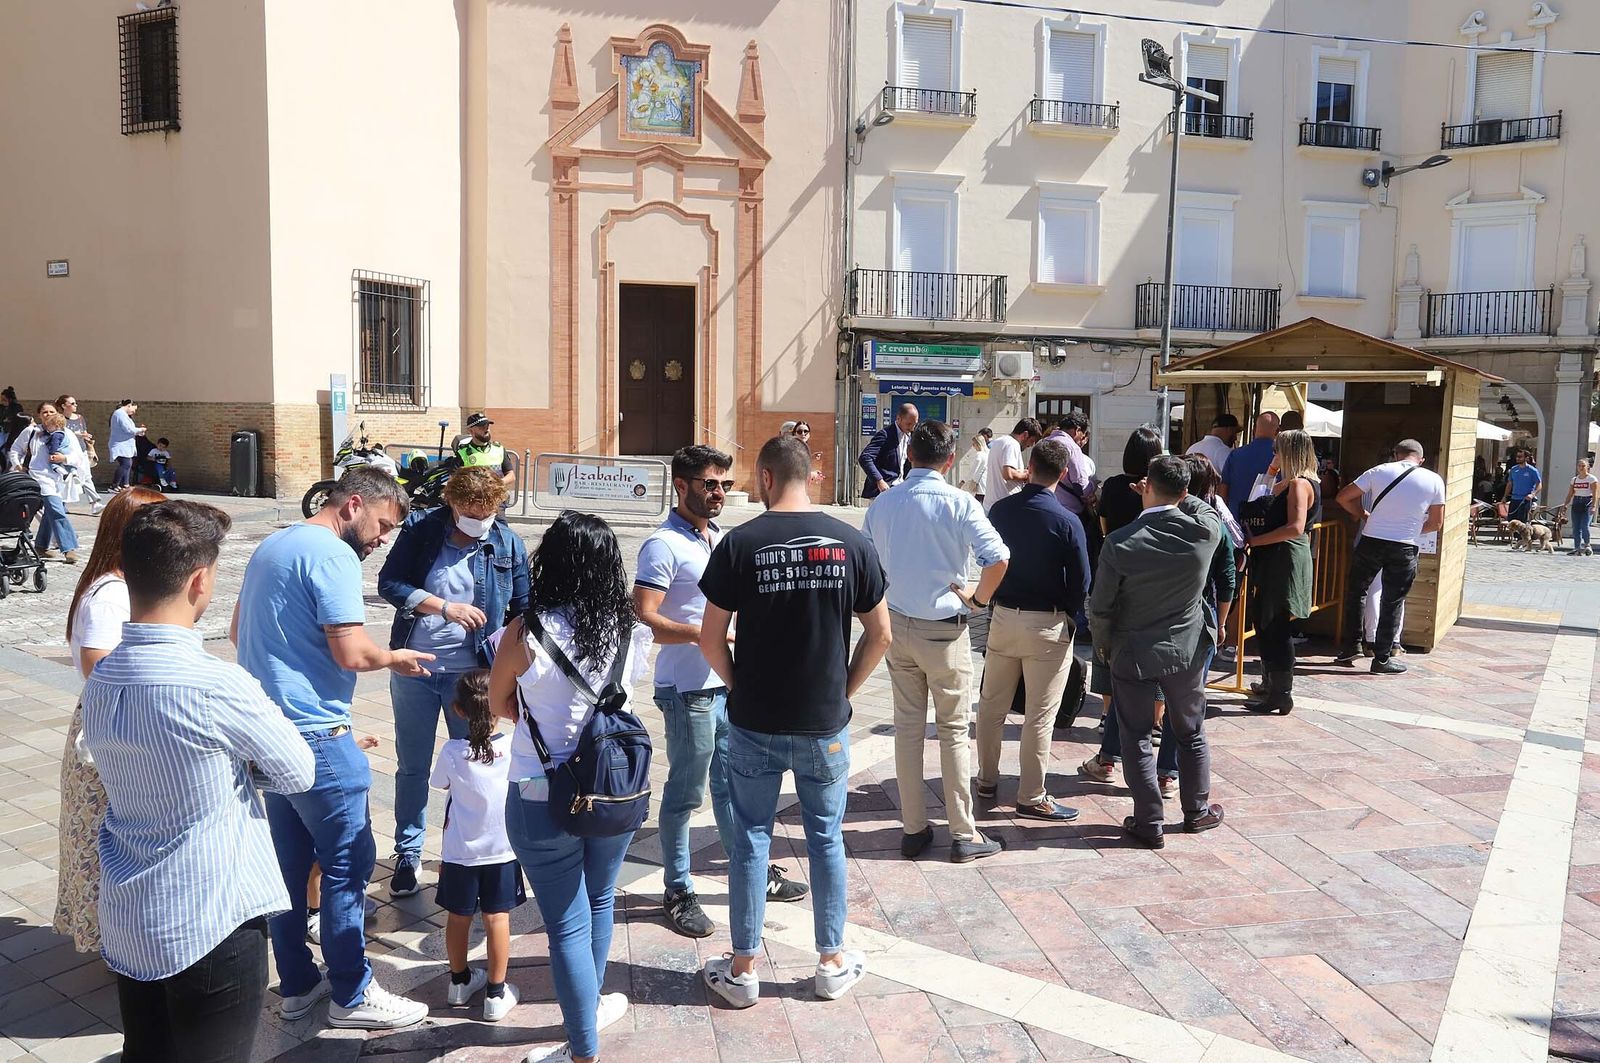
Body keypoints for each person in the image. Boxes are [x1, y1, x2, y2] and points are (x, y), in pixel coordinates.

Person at [81, 501, 316, 1063]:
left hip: (132, 912)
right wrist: (240, 765)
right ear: (199, 581)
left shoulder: (104, 674)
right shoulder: (215, 684)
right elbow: (297, 769)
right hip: (211, 917)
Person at [233, 466, 433, 1030]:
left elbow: (235, 632)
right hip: (317, 736)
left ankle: (297, 985)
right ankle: (353, 992)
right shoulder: (334, 555)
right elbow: (351, 651)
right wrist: (396, 657)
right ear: (352, 504)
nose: (383, 539)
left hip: (266, 735)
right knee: (349, 866)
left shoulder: (274, 544)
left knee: (290, 869)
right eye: (383, 524)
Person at [698, 435, 891, 1008]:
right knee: (825, 838)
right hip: (822, 724)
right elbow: (880, 634)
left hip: (754, 722)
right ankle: (831, 961)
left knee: (752, 839)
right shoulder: (852, 543)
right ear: (813, 474)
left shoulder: (740, 543)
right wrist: (843, 692)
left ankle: (742, 968)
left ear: (763, 478)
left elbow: (711, 639)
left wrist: (740, 686)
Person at [488, 512, 653, 1063]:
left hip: (539, 793)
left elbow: (499, 704)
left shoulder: (524, 632)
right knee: (600, 899)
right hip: (612, 789)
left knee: (564, 922)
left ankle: (582, 1049)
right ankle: (591, 1005)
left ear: (550, 563)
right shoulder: (629, 630)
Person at [634, 445, 807, 938]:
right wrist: (706, 636)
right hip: (688, 688)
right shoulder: (662, 545)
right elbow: (644, 616)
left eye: (724, 485)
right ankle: (679, 887)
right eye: (709, 484)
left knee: (734, 787)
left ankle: (751, 871)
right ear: (681, 485)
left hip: (727, 684)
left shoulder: (715, 538)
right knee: (687, 793)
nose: (718, 493)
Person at [375, 466, 528, 897]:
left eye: (489, 510)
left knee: (479, 766)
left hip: (474, 675)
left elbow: (522, 609)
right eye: (470, 511)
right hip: (416, 668)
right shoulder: (423, 530)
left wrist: (516, 672)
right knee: (412, 767)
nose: (480, 519)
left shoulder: (507, 542)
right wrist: (444, 606)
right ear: (451, 503)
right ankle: (408, 854)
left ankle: (477, 856)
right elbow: (390, 583)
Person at [863, 421, 1009, 860]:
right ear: (949, 460)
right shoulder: (960, 503)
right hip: (944, 630)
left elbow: (869, 563)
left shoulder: (885, 503)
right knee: (951, 731)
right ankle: (963, 834)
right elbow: (998, 558)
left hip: (898, 624)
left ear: (909, 457)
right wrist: (978, 600)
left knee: (907, 729)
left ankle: (914, 828)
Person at [1088, 456, 1225, 849]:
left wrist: (1104, 648)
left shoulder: (1119, 543)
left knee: (1134, 736)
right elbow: (1201, 504)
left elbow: (1100, 607)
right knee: (1190, 732)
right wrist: (1176, 493)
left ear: (1145, 486)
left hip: (1132, 652)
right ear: (1184, 494)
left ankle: (1149, 820)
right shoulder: (1204, 532)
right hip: (1185, 651)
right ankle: (1196, 812)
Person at [54, 487, 166, 956]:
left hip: (119, 725)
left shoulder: (124, 585)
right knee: (107, 842)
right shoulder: (111, 594)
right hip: (110, 733)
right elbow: (98, 663)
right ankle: (115, 943)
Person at [972, 438, 1089, 820]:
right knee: (1040, 714)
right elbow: (1082, 581)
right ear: (1065, 473)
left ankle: (986, 778)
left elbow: (986, 558)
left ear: (1030, 465)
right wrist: (1068, 615)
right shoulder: (1068, 520)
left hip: (1003, 616)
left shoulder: (1001, 511)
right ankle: (1031, 794)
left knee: (991, 706)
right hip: (1047, 622)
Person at [432, 670, 525, 1023]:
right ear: (502, 704)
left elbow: (438, 784)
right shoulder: (513, 746)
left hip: (459, 851)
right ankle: (496, 994)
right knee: (497, 918)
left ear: (458, 710)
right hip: (502, 849)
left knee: (458, 917)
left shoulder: (453, 752)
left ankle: (459, 982)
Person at [1079, 427, 1165, 786]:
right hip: (1150, 581)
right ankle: (1156, 720)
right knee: (1155, 658)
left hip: (1113, 572)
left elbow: (1102, 528)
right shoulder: (1158, 489)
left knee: (1108, 650)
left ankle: (1106, 714)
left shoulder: (1113, 486)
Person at [1330, 439, 1445, 674]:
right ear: (1421, 459)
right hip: (1404, 546)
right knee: (1392, 601)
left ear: (1396, 454)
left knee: (1357, 593)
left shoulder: (1379, 471)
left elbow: (1343, 497)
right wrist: (1412, 529)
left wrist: (1364, 514)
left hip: (1371, 541)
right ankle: (1382, 659)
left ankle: (1352, 646)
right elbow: (1436, 523)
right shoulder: (1434, 480)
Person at [1242, 430, 1321, 714]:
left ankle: (1281, 693)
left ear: (1289, 451)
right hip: (1277, 556)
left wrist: (1256, 540)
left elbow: (1295, 527)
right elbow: (1258, 500)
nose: (1272, 453)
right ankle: (1271, 686)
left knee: (1275, 625)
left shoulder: (1300, 483)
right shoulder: (1292, 480)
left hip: (1283, 557)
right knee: (1265, 621)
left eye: (1277, 449)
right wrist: (1271, 471)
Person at [30, 409, 81, 563]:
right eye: (44, 412)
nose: (47, 415)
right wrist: (18, 464)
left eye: (51, 412)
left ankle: (41, 545)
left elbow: (78, 457)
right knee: (56, 510)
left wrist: (63, 458)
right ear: (40, 415)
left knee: (50, 512)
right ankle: (69, 547)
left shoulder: (67, 434)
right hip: (39, 476)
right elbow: (15, 449)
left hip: (58, 478)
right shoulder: (32, 432)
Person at [1219, 411, 1280, 521]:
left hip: (1237, 521)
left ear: (1254, 429)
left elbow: (1223, 490)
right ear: (1278, 431)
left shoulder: (1235, 455)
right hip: (1268, 524)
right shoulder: (1281, 458)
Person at [858, 402, 918, 500]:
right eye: (909, 424)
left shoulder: (909, 436)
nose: (912, 428)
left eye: (914, 424)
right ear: (898, 419)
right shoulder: (885, 435)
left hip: (900, 489)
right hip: (882, 491)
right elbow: (865, 457)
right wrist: (879, 481)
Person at [982, 418, 1043, 512]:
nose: (1031, 445)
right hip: (1004, 506)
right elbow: (1008, 474)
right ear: (1025, 434)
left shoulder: (999, 441)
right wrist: (1027, 475)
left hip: (992, 504)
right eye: (1032, 440)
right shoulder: (1012, 444)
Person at [1041, 411, 1093, 517]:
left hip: (1042, 505)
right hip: (1067, 511)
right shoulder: (1072, 447)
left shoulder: (1041, 443)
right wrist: (1093, 485)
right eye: (1082, 435)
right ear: (1077, 430)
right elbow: (1081, 486)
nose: (1081, 439)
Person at [56, 395, 103, 512]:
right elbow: (60, 434)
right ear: (63, 406)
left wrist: (91, 447)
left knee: (86, 477)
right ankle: (62, 504)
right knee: (67, 478)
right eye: (72, 403)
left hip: (81, 451)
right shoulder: (60, 419)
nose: (75, 405)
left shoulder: (80, 418)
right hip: (67, 453)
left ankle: (95, 503)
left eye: (75, 403)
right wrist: (77, 435)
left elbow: (85, 433)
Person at [456, 412, 517, 488]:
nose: (486, 430)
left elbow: (511, 476)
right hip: (475, 498)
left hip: (497, 497)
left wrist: (496, 484)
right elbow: (455, 481)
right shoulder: (462, 452)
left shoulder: (499, 449)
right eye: (482, 427)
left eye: (487, 426)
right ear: (471, 431)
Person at [107, 399, 143, 490]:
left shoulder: (123, 415)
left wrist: (138, 432)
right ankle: (114, 485)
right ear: (129, 405)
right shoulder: (120, 414)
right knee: (126, 464)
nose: (134, 412)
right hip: (120, 444)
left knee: (128, 463)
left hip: (125, 444)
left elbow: (130, 430)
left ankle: (125, 484)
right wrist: (140, 430)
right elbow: (128, 429)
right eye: (134, 409)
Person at [1566, 458, 1598, 556]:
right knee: (1576, 527)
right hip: (1576, 502)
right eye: (1579, 466)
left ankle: (1587, 545)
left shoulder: (1592, 479)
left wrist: (1593, 506)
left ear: (1587, 467)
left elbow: (1595, 494)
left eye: (1583, 466)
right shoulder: (1574, 479)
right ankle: (1577, 548)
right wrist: (1565, 504)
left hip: (1587, 502)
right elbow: (1570, 493)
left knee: (1585, 526)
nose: (1581, 468)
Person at [1502, 448, 1541, 524]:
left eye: (1520, 457)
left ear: (1526, 458)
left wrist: (1533, 494)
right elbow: (1510, 484)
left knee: (1521, 523)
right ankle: (1513, 536)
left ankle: (1520, 536)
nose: (1518, 458)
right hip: (1514, 499)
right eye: (1517, 456)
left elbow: (1539, 484)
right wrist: (1505, 496)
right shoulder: (1513, 469)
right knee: (1512, 521)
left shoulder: (1532, 470)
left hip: (1525, 500)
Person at [959, 429, 989, 499]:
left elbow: (973, 471)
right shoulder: (988, 453)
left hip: (978, 485)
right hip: (987, 484)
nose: (973, 446)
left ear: (978, 444)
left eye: (973, 444)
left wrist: (963, 481)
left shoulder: (979, 455)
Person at [0, 386, 23, 452]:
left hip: (12, 432)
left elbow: (19, 419)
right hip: (2, 430)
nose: (2, 401)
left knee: (8, 448)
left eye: (4, 399)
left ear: (10, 399)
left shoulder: (16, 407)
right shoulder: (1, 407)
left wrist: (9, 419)